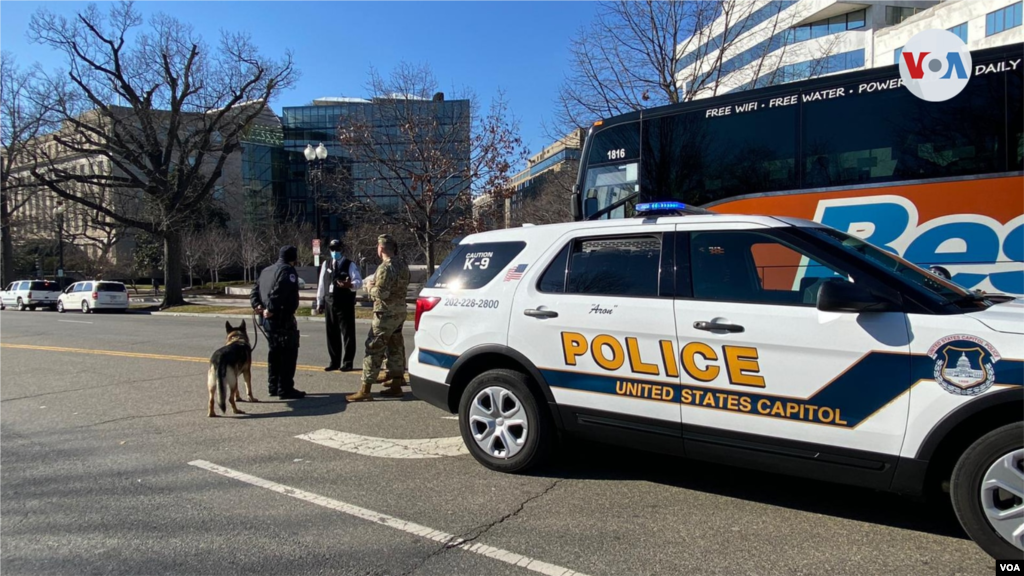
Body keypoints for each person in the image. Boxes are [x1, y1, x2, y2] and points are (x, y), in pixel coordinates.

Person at [347, 234, 410, 402]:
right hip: (400, 312)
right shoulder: (403, 265)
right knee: (395, 347)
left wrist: (369, 287)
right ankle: (396, 384)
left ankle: (365, 389)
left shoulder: (385, 267)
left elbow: (382, 293)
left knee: (373, 347)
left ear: (381, 248)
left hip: (385, 314)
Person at [250, 245, 306, 399]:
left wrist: (257, 305)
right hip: (281, 317)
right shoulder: (287, 271)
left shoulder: (266, 271)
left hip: (267, 320)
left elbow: (255, 290)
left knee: (274, 353)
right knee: (288, 353)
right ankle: (285, 388)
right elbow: (280, 290)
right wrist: (272, 308)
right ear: (293, 258)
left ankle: (273, 386)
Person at [316, 239, 363, 372]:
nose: (334, 252)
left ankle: (347, 362)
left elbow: (359, 282)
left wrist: (350, 285)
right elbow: (321, 285)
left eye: (337, 249)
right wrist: (320, 302)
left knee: (347, 334)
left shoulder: (349, 265)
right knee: (332, 334)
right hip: (330, 303)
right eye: (332, 249)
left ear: (342, 250)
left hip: (345, 304)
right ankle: (334, 361)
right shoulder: (326, 264)